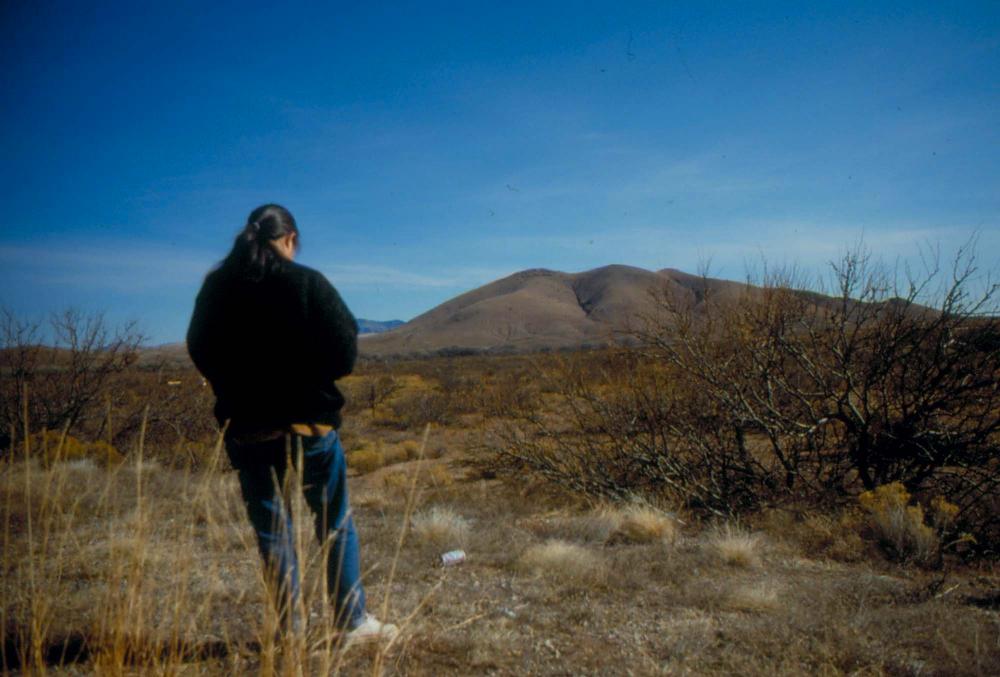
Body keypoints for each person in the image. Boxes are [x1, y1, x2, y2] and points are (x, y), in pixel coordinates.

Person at [186, 204, 396, 644]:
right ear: (290, 239)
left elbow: (199, 348)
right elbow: (344, 353)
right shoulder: (307, 283)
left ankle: (291, 631)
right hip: (309, 425)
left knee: (272, 531)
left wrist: (234, 385)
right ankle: (351, 622)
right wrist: (307, 379)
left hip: (248, 428)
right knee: (334, 521)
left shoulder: (218, 287)